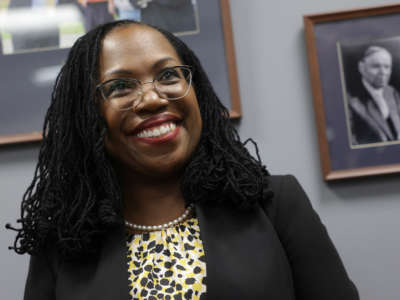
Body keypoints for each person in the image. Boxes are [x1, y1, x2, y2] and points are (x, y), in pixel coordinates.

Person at [8, 20, 359, 299]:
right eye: (120, 87)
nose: (152, 98)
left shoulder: (276, 203)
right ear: (87, 115)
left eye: (168, 75)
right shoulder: (62, 239)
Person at [348, 45, 400, 145]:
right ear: (361, 67)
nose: (383, 72)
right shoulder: (349, 100)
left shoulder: (392, 92)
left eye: (387, 67)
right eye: (376, 66)